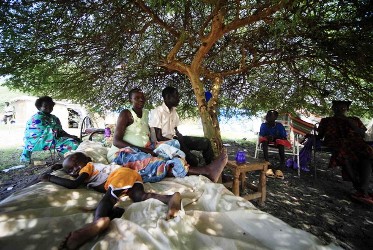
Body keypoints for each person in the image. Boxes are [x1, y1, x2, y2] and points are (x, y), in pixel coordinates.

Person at [40, 152, 182, 249]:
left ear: (88, 160)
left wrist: (50, 178)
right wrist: (61, 167)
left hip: (119, 175)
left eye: (77, 164)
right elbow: (69, 169)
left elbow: (73, 184)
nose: (76, 169)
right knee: (140, 197)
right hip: (132, 175)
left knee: (107, 200)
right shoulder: (90, 166)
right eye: (71, 170)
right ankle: (170, 198)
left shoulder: (88, 167)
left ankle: (98, 222)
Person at [107, 88, 227, 183]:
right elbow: (116, 141)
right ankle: (206, 171)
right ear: (130, 100)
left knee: (172, 151)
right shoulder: (126, 114)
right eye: (136, 98)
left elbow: (157, 131)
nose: (140, 100)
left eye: (142, 98)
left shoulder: (146, 113)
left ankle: (206, 168)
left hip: (145, 149)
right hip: (122, 153)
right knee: (157, 161)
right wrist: (143, 149)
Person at [317, 100, 373, 205]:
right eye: (337, 107)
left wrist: (350, 123)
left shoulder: (354, 119)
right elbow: (320, 136)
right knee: (343, 153)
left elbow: (362, 134)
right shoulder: (326, 120)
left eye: (342, 108)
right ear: (332, 108)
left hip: (354, 142)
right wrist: (313, 137)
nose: (339, 110)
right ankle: (361, 189)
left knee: (367, 152)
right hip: (336, 142)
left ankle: (362, 189)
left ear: (347, 109)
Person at [149, 86, 214, 167]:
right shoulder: (157, 112)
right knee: (192, 160)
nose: (178, 99)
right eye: (176, 96)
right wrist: (179, 143)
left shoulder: (174, 112)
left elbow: (176, 130)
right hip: (164, 144)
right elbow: (158, 137)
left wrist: (182, 138)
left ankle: (211, 165)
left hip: (175, 140)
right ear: (167, 97)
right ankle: (197, 163)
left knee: (205, 142)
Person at [20, 96, 80, 163]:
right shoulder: (37, 118)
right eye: (45, 106)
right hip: (38, 141)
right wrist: (68, 137)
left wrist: (71, 136)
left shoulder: (54, 118)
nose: (49, 108)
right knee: (74, 144)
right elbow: (49, 133)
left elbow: (60, 131)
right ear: (39, 107)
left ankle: (70, 158)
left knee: (77, 141)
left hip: (53, 138)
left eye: (51, 105)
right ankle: (72, 161)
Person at [259, 110, 291, 179]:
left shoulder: (279, 126)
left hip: (278, 141)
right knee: (264, 141)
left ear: (275, 118)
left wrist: (275, 137)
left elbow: (283, 136)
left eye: (271, 117)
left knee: (280, 142)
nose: (269, 119)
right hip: (268, 141)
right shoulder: (264, 125)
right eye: (268, 117)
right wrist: (267, 137)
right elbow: (262, 135)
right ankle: (267, 162)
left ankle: (282, 164)